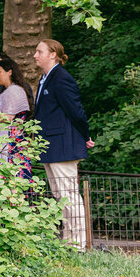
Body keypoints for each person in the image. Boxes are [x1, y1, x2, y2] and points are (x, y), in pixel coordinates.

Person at [33, 39, 93, 250]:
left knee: (68, 195)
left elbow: (76, 111)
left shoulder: (61, 78)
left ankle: (78, 244)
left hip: (64, 145)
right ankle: (69, 241)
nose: (35, 55)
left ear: (53, 54)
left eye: (39, 51)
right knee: (60, 197)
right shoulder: (45, 78)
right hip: (51, 145)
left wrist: (85, 136)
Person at [0, 57, 34, 180]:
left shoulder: (15, 91)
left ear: (10, 72)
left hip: (11, 144)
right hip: (2, 141)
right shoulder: (6, 90)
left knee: (12, 181)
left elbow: (8, 117)